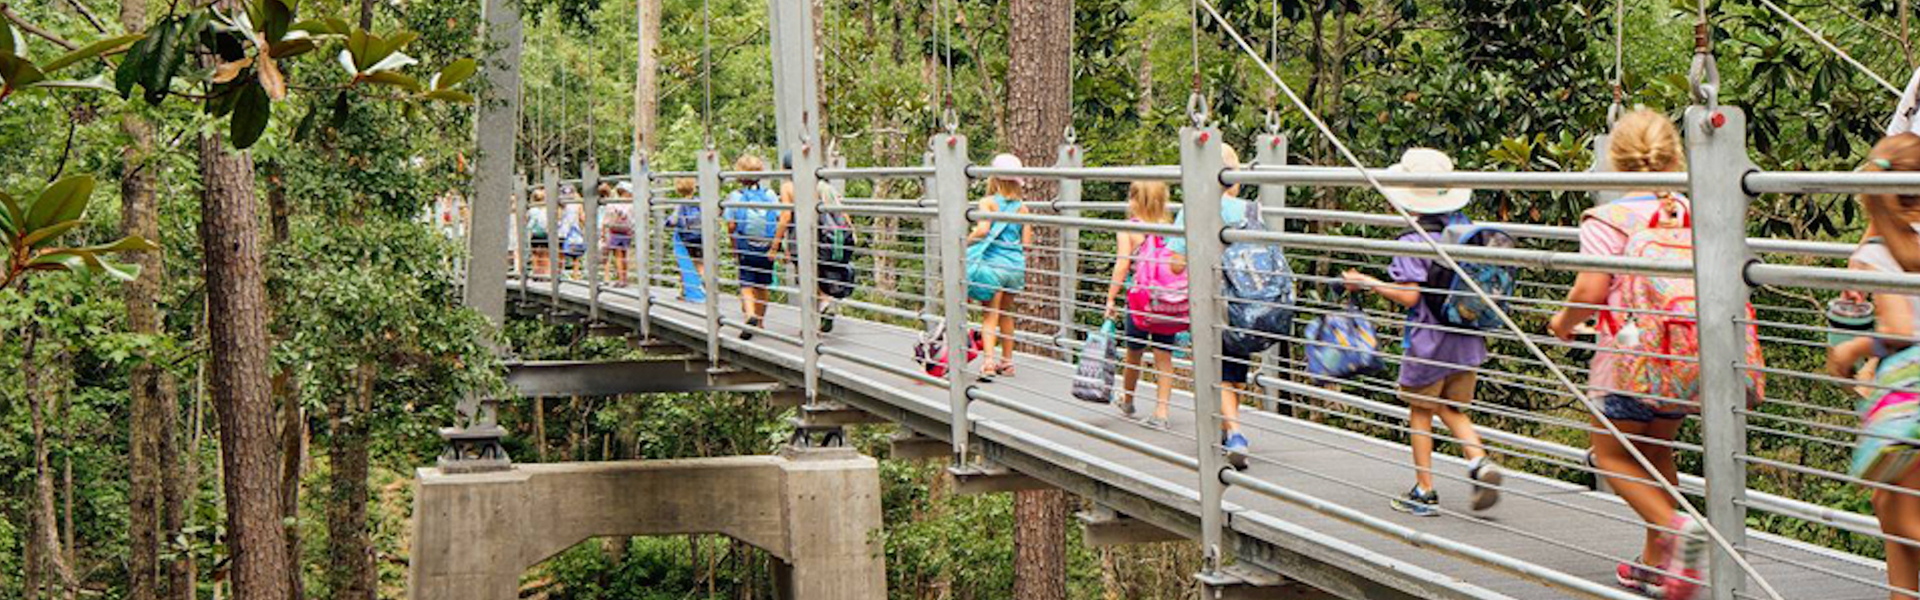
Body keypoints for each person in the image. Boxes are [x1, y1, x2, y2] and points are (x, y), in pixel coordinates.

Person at [1545, 109, 1704, 599]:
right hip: (1683, 360)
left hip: (1627, 362)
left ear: (1614, 162)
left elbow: (1592, 287)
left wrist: (1562, 323)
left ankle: (1676, 529)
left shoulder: (1605, 219)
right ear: (1676, 156)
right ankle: (1657, 567)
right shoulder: (1691, 209)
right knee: (1658, 453)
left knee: (1611, 456)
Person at [1341, 147, 1503, 518]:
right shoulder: (1464, 229)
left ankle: (1425, 490)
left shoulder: (1412, 240)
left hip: (1429, 341)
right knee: (1452, 407)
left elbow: (1411, 295)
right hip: (1467, 337)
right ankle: (1478, 461)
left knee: (1420, 410)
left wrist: (1369, 283)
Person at [1827, 133, 1920, 600]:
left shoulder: (1879, 255)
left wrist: (1851, 349)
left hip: (1910, 401)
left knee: (1904, 513)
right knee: (1889, 503)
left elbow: (1901, 329)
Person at [1164, 144, 1254, 465]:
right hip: (1247, 301)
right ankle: (1228, 429)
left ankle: (1236, 434)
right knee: (1234, 370)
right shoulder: (1248, 209)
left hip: (1209, 298)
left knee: (1214, 370)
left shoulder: (1191, 209)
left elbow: (1175, 263)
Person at [1104, 181, 1178, 429]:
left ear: (1134, 200)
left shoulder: (1129, 228)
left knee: (1133, 351)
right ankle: (1162, 410)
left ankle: (1128, 399)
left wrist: (1111, 297)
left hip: (1140, 300)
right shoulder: (1171, 228)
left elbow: (1122, 264)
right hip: (1168, 300)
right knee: (1163, 356)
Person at [771, 152, 857, 333]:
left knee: (807, 282)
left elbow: (786, 216)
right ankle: (825, 306)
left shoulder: (789, 186)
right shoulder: (823, 185)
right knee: (821, 277)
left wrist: (775, 245)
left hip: (801, 239)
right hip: (827, 240)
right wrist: (851, 234)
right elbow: (841, 211)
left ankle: (811, 324)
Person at [965, 153, 1031, 379]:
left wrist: (964, 241)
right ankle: (1008, 362)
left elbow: (983, 230)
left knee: (989, 315)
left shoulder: (988, 202)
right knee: (1006, 314)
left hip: (992, 267)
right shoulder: (1023, 208)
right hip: (1014, 269)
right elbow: (1027, 243)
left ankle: (989, 362)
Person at [724, 154, 782, 340]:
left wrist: (734, 247)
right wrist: (776, 246)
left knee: (746, 284)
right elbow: (780, 219)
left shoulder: (735, 197)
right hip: (766, 248)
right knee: (762, 285)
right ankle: (761, 322)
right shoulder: (770, 195)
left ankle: (749, 315)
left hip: (745, 247)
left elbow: (731, 225)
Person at [668, 178, 706, 279]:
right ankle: (704, 286)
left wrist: (667, 223)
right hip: (700, 236)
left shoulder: (680, 204)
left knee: (684, 262)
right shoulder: (700, 201)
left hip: (685, 237)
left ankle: (684, 290)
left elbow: (673, 220)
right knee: (700, 262)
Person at [602, 182, 636, 287]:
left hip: (615, 231)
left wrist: (604, 232)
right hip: (627, 231)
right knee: (624, 255)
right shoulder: (632, 204)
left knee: (618, 256)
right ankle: (624, 279)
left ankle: (620, 279)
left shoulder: (613, 203)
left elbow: (607, 219)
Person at [557, 184, 587, 280]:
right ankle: (575, 274)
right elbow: (582, 217)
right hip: (575, 231)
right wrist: (584, 228)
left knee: (560, 253)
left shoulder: (561, 205)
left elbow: (558, 217)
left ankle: (560, 272)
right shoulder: (578, 204)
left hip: (562, 231)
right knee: (576, 255)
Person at [527, 187, 552, 278]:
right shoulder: (546, 209)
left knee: (535, 254)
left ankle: (536, 273)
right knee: (545, 255)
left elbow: (528, 222)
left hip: (535, 234)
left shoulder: (531, 210)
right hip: (545, 234)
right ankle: (546, 273)